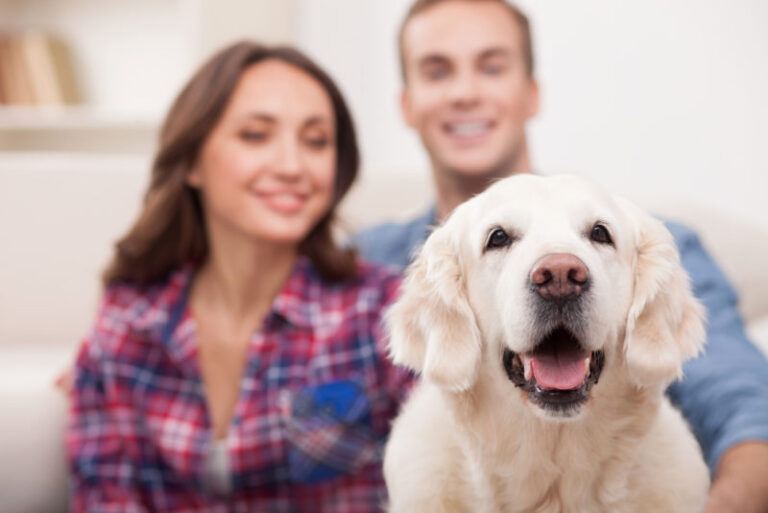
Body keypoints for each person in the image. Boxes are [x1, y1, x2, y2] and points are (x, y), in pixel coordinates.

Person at [354, 1, 768, 512]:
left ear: (531, 93)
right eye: (437, 71)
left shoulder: (658, 244)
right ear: (407, 104)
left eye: (491, 66)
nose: (465, 93)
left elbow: (746, 406)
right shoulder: (361, 262)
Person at [66, 41, 411, 512]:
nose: (292, 167)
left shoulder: (383, 309)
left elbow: (456, 470)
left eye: (316, 141)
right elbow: (104, 495)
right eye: (255, 135)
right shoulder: (129, 319)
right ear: (190, 161)